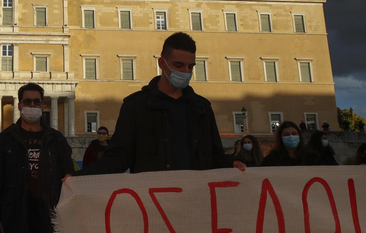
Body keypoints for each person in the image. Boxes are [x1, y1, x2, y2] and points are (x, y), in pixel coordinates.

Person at [70, 32, 245, 177]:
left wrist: (231, 163)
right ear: (162, 63)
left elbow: (215, 156)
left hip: (197, 200)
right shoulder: (136, 107)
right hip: (154, 203)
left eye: (190, 67)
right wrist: (80, 177)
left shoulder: (202, 108)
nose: (186, 72)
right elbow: (119, 157)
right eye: (179, 65)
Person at [0, 83, 74, 233]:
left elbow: (68, 176)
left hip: (51, 219)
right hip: (15, 218)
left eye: (36, 101)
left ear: (43, 104)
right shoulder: (6, 139)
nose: (32, 105)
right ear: (20, 105)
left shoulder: (57, 139)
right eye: (27, 102)